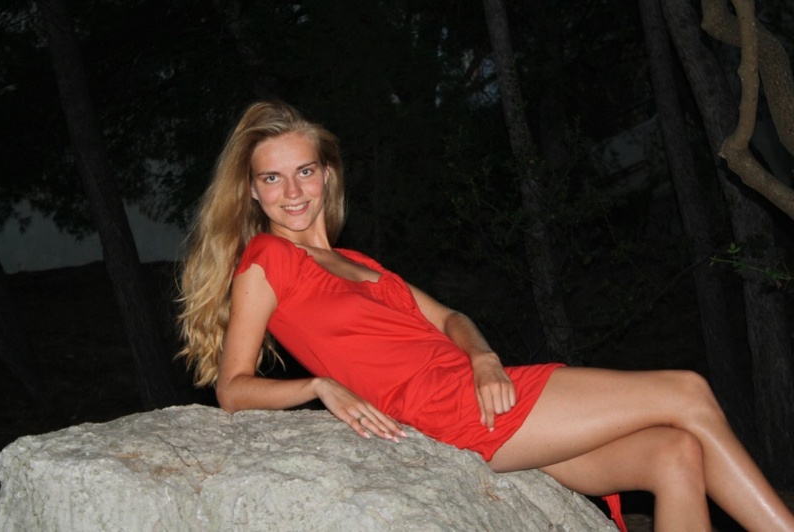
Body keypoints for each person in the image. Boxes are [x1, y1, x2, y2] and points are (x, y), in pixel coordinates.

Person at [178, 100, 794, 532]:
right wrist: (318, 386)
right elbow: (232, 388)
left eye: (304, 171)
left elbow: (451, 318)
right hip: (444, 408)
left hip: (475, 391)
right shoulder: (266, 260)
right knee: (686, 391)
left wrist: (482, 357)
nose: (292, 192)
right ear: (252, 190)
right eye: (273, 178)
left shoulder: (359, 263)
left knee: (675, 453)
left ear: (327, 175)